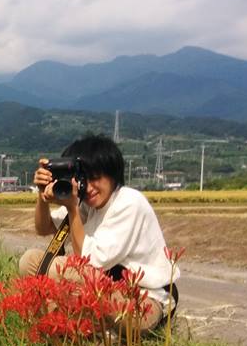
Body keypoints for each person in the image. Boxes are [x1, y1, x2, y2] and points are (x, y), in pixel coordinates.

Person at [18, 134, 179, 331]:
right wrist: (42, 195)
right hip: (108, 292)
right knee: (30, 260)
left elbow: (90, 261)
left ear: (112, 172)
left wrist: (72, 209)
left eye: (95, 178)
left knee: (52, 268)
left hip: (143, 301)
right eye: (84, 180)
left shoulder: (129, 201)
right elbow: (44, 228)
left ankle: (79, 324)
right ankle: (81, 324)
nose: (90, 188)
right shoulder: (87, 205)